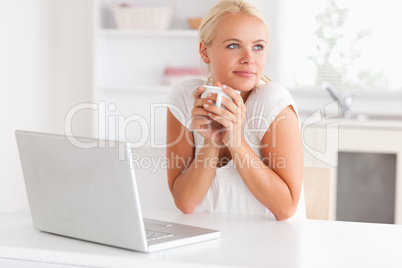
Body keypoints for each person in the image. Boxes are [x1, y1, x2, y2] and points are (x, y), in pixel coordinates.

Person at [166, 0, 305, 220]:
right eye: (233, 45)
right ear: (205, 51)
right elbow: (185, 202)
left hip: (270, 247)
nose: (249, 59)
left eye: (258, 46)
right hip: (208, 243)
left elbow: (285, 208)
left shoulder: (273, 102)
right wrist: (212, 141)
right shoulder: (184, 98)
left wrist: (236, 141)